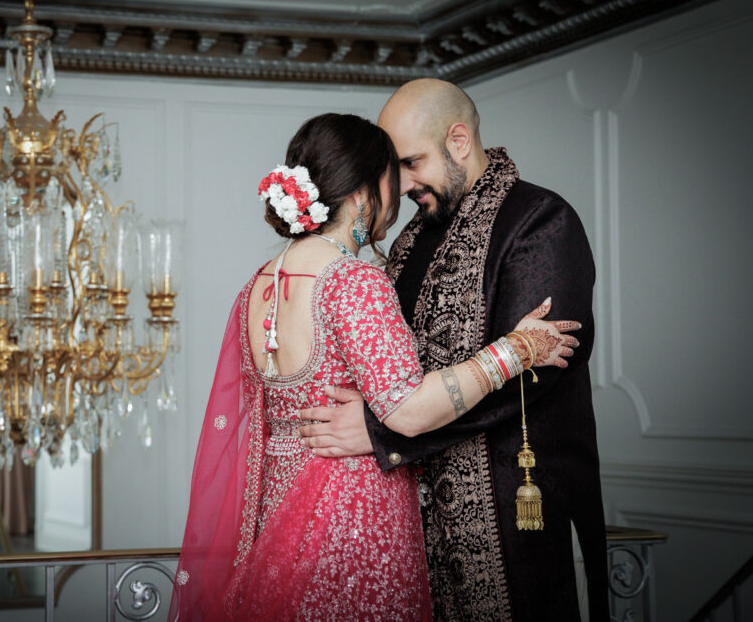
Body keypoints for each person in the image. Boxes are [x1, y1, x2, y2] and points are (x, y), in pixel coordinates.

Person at [170, 112, 581, 620]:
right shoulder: (353, 282)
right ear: (365, 192)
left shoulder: (258, 285)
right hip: (349, 516)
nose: (403, 189)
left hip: (275, 516)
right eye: (394, 176)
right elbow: (406, 410)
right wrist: (515, 350)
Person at [298, 80, 609, 621]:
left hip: (512, 503)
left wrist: (383, 429)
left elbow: (540, 366)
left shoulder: (540, 221)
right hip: (414, 509)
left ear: (459, 141)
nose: (404, 184)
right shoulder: (411, 239)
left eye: (413, 163)